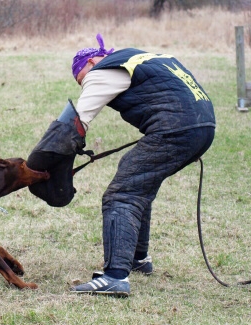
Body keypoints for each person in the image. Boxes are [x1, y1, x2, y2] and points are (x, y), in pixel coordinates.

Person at [27, 33, 215, 297]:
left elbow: (77, 123)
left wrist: (44, 162)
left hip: (176, 127)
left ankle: (115, 276)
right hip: (203, 125)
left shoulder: (102, 70)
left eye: (82, 80)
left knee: (123, 193)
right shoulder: (141, 57)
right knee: (139, 180)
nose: (85, 86)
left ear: (91, 62)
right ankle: (138, 258)